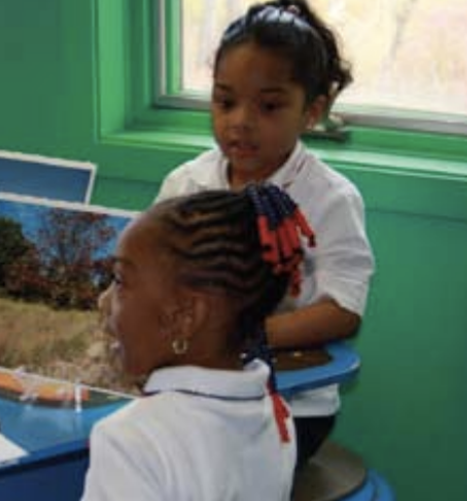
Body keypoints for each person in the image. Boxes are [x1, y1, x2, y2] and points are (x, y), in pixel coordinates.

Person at [154, 0, 375, 466]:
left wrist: (239, 334)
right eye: (224, 100)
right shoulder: (186, 184)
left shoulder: (330, 199)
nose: (240, 121)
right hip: (193, 393)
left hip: (291, 408)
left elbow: (342, 311)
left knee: (197, 471)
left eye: (269, 105)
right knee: (125, 447)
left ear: (311, 111)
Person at [82, 185, 313, 501]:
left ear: (185, 317)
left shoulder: (132, 439)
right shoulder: (278, 413)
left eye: (121, 281)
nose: (103, 300)